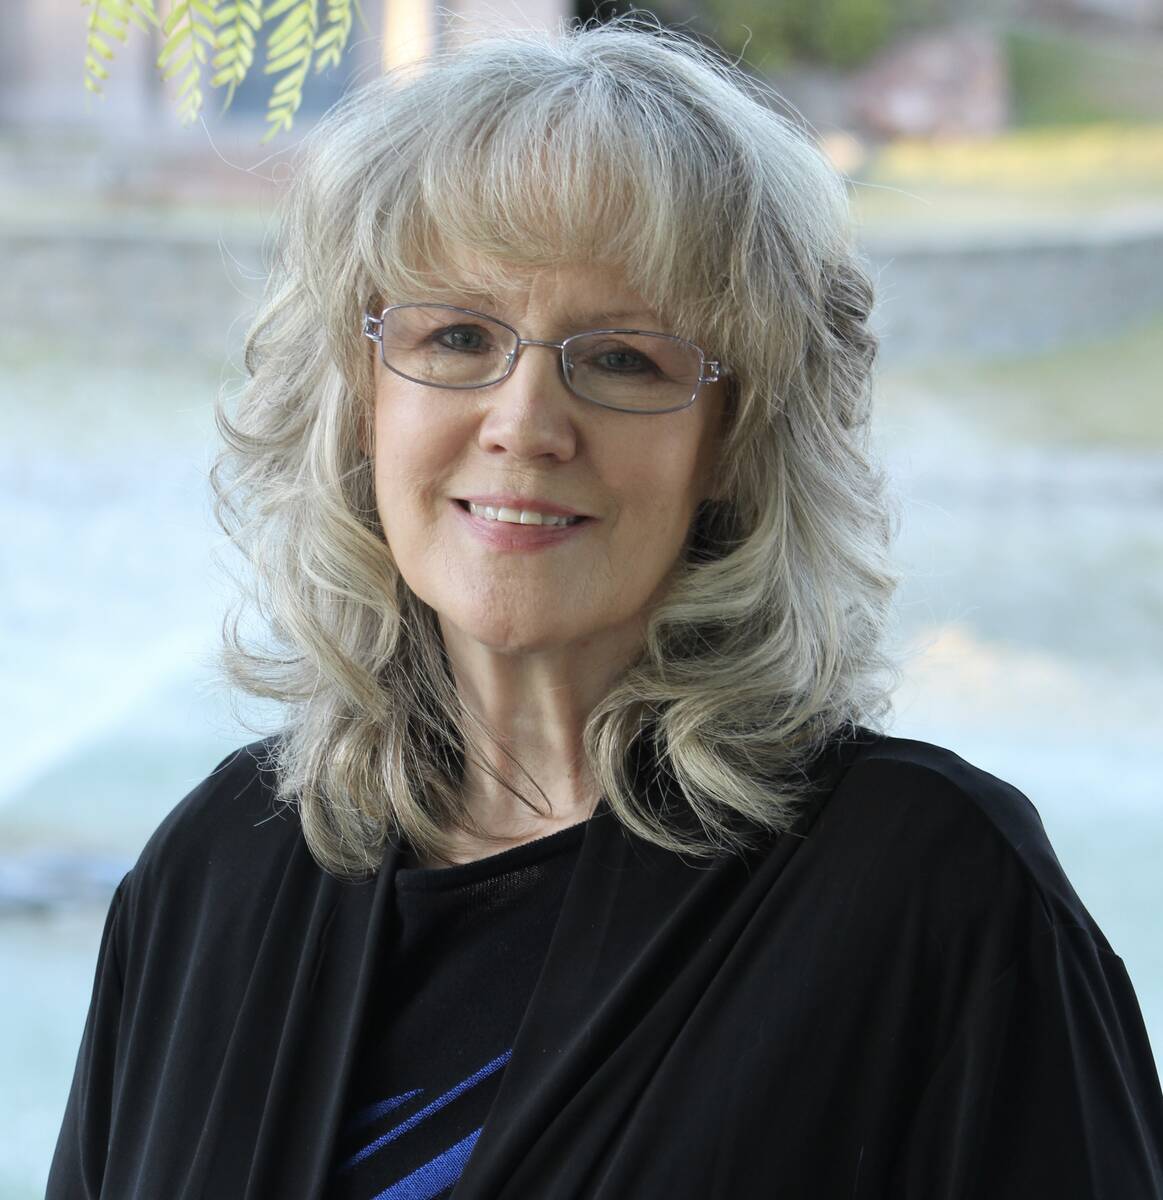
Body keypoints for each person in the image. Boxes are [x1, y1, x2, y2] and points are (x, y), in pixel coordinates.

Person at [48, 20, 1163, 1200]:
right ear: (360, 403)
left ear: (734, 440)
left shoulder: (932, 891)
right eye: (456, 336)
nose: (525, 423)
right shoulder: (215, 868)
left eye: (624, 358)